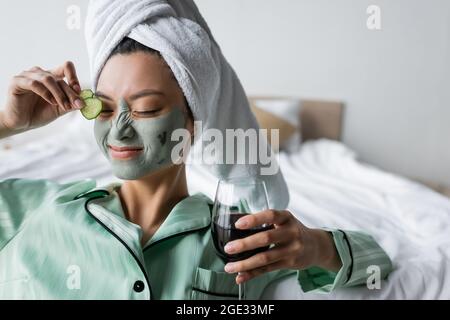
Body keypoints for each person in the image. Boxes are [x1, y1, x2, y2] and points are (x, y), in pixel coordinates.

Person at [0, 1, 392, 300]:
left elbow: (376, 260)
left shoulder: (239, 240)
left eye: (146, 108)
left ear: (193, 123)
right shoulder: (33, 208)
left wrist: (315, 245)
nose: (118, 128)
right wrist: (7, 123)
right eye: (103, 106)